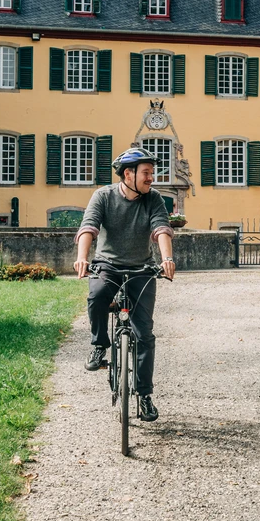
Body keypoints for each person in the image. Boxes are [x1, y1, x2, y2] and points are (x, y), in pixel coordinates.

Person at [74, 147, 176, 422]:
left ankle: (144, 396)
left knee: (144, 334)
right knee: (96, 296)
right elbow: (89, 228)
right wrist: (82, 258)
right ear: (128, 174)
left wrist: (167, 258)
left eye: (152, 173)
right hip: (108, 265)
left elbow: (161, 229)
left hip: (142, 267)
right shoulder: (104, 196)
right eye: (146, 173)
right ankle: (99, 345)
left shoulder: (153, 199)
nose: (151, 178)